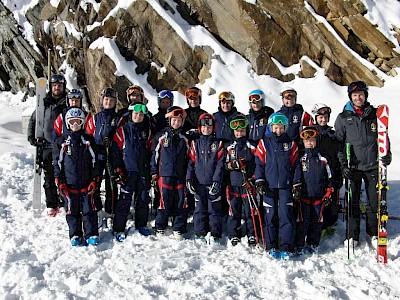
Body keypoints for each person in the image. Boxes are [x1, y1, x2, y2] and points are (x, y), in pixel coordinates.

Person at [334, 81, 391, 247]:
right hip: (353, 167)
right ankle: (352, 235)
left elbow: (384, 138)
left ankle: (373, 232)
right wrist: (343, 165)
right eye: (355, 95)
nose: (358, 98)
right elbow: (339, 144)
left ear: (365, 95)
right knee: (353, 202)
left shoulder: (374, 114)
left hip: (373, 165)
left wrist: (387, 155)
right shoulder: (343, 118)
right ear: (350, 98)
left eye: (361, 94)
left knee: (374, 201)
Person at [254, 112, 301, 260]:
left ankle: (286, 246)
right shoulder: (264, 143)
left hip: (286, 187)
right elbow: (259, 164)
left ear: (285, 128)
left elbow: (296, 165)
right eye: (275, 127)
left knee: (286, 216)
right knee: (270, 216)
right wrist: (259, 181)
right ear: (270, 127)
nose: (278, 131)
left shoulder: (291, 144)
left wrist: (296, 184)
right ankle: (271, 245)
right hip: (269, 186)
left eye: (281, 128)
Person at [53, 107, 100, 246]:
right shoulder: (62, 142)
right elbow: (57, 163)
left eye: (78, 122)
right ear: (67, 123)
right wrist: (59, 181)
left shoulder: (87, 141)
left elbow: (95, 161)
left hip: (86, 182)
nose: (75, 125)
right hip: (69, 183)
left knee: (89, 209)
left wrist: (94, 179)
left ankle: (91, 233)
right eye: (72, 122)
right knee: (71, 210)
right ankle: (75, 234)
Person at [27, 74, 67, 216]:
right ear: (51, 87)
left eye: (60, 85)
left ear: (63, 87)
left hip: (62, 146)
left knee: (63, 175)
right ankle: (52, 203)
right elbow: (34, 119)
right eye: (55, 85)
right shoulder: (44, 103)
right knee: (49, 176)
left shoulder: (66, 104)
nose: (57, 88)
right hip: (46, 146)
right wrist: (31, 137)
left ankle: (63, 201)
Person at [112, 103, 152, 241]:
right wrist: (117, 170)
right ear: (131, 115)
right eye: (136, 114)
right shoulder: (122, 131)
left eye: (141, 115)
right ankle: (118, 228)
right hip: (127, 172)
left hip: (142, 171)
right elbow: (115, 153)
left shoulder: (147, 132)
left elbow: (150, 152)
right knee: (124, 201)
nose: (138, 116)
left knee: (142, 200)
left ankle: (141, 225)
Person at [150, 106, 190, 240]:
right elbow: (154, 156)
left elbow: (189, 158)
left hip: (180, 175)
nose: (176, 123)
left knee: (180, 201)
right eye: (174, 120)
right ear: (169, 120)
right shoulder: (161, 137)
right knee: (164, 200)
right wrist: (154, 173)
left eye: (179, 121)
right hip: (164, 175)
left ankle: (178, 227)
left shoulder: (184, 139)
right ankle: (160, 225)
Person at [294, 126, 334, 255]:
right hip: (304, 197)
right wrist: (296, 187)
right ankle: (300, 244)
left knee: (316, 221)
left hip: (319, 197)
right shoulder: (300, 158)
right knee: (302, 221)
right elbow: (296, 175)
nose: (309, 143)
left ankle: (313, 243)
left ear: (316, 140)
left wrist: (328, 192)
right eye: (307, 141)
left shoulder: (323, 159)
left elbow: (330, 177)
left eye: (312, 140)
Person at [186, 113, 225, 244]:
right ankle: (200, 232)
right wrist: (189, 179)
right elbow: (191, 163)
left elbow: (220, 165)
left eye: (209, 127)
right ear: (199, 128)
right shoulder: (195, 144)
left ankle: (215, 234)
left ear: (213, 128)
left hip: (212, 183)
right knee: (200, 209)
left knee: (214, 209)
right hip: (198, 183)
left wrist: (216, 181)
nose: (206, 129)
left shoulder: (218, 144)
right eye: (203, 127)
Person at [86, 88, 122, 224]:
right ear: (102, 101)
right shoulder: (95, 118)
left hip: (111, 155)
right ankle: (97, 209)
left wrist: (112, 142)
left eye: (111, 101)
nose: (109, 102)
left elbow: (121, 136)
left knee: (111, 185)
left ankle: (110, 211)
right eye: (106, 100)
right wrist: (96, 145)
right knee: (95, 182)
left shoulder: (117, 118)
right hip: (98, 155)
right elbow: (88, 135)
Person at [225, 114, 257, 247]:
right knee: (234, 211)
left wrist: (253, 179)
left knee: (250, 211)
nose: (239, 133)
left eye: (242, 130)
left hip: (247, 184)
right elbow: (224, 164)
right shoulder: (229, 147)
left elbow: (258, 164)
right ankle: (234, 234)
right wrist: (232, 165)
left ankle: (252, 234)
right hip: (233, 184)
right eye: (237, 131)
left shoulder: (251, 146)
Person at [311, 103, 342, 237]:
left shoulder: (332, 135)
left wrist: (340, 172)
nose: (323, 120)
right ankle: (317, 225)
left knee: (331, 201)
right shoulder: (311, 133)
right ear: (315, 118)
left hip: (332, 173)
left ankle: (329, 225)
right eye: (320, 117)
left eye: (325, 117)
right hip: (317, 174)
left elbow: (338, 154)